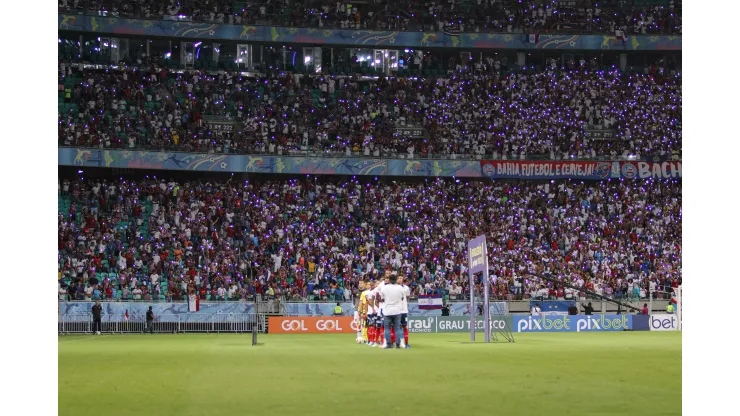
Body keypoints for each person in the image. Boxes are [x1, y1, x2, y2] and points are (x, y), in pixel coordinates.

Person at [379, 275, 406, 349]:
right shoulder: (400, 288)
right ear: (396, 279)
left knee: (387, 328)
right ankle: (398, 344)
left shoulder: (384, 288)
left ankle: (388, 344)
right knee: (397, 328)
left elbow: (382, 299)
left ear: (389, 280)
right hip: (397, 310)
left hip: (387, 311)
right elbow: (402, 298)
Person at [399, 276, 411, 348]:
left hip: (404, 310)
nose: (400, 279)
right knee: (398, 326)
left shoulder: (406, 288)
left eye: (401, 278)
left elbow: (408, 297)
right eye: (399, 278)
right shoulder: (394, 288)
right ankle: (401, 342)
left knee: (404, 326)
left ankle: (406, 343)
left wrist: (404, 303)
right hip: (396, 310)